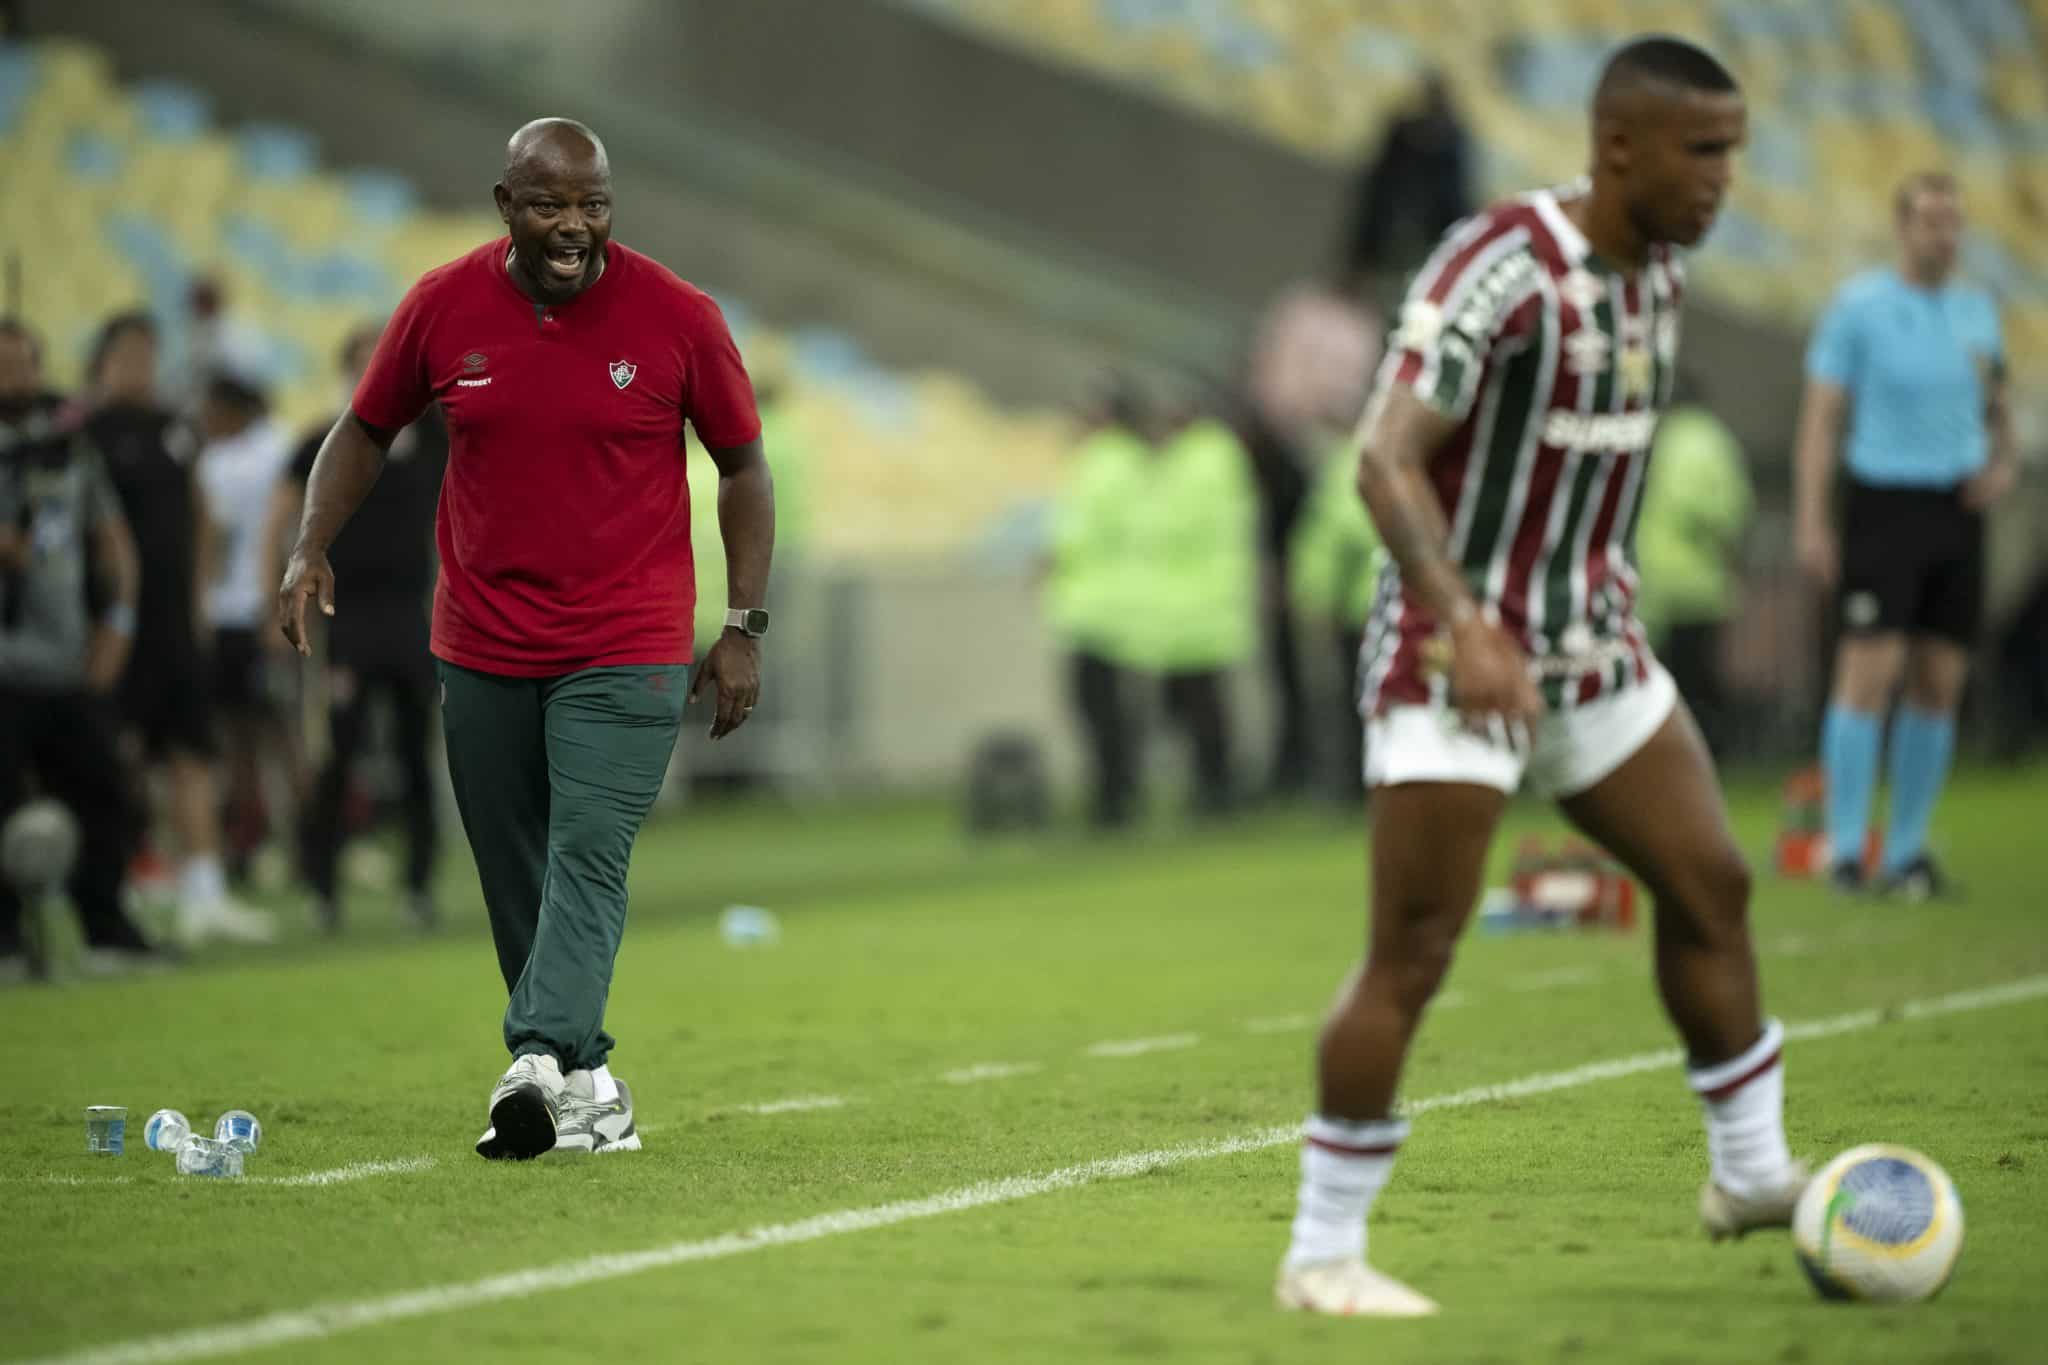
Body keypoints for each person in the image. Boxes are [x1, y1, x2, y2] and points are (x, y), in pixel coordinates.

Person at [1276, 39, 1804, 1317]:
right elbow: (1383, 461)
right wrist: (1465, 623)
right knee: (1412, 948)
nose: (1723, 179)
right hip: (1457, 657)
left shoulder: (1660, 273)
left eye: (1733, 151)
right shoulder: (1500, 266)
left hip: (1592, 649)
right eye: (1704, 150)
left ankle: (1749, 1176)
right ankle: (1320, 1256)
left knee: (1713, 882)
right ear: (1618, 145)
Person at [279, 118, 773, 1160]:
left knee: (587, 853)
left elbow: (742, 467)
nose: (573, 226)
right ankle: (591, 1082)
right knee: (511, 866)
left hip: (630, 640)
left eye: (593, 205)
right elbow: (364, 430)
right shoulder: (441, 306)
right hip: (481, 636)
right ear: (505, 204)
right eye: (549, 203)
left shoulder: (679, 317)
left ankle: (535, 1059)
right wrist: (307, 546)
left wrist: (739, 625)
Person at [1793, 171, 2016, 899]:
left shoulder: (1978, 311)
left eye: (1952, 222)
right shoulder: (1859, 309)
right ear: (1902, 227)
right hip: (1882, 501)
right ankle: (1850, 847)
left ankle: (1909, 850)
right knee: (1868, 672)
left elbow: (2000, 406)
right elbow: (1822, 418)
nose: (1942, 235)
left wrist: (2003, 464)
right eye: (1929, 221)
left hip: (1956, 506)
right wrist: (1812, 517)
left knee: (1939, 680)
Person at [86, 311, 275, 946]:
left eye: (148, 352)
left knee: (194, 754)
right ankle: (121, 885)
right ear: (102, 361)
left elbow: (200, 514)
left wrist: (199, 600)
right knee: (119, 760)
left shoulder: (175, 428)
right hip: (114, 627)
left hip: (174, 623)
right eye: (128, 353)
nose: (140, 365)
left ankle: (204, 893)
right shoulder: (85, 433)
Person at [0, 318, 164, 978]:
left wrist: (118, 624)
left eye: (23, 363)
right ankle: (7, 940)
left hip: (67, 660)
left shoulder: (68, 449)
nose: (15, 376)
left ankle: (105, 925)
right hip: (3, 667)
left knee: (105, 792)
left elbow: (113, 542)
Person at [277, 322, 447, 932]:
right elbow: (285, 519)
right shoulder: (321, 444)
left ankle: (419, 885)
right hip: (343, 619)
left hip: (411, 618)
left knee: (414, 754)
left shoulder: (432, 439)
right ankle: (321, 886)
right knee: (337, 757)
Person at [196, 358, 298, 884]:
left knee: (251, 737)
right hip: (263, 612)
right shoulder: (276, 446)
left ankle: (262, 845)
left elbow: (212, 540)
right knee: (272, 735)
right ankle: (286, 845)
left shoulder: (228, 460)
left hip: (241, 615)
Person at [1045, 378, 1151, 829]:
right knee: (1115, 707)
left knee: (1097, 708)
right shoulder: (1137, 463)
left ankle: (1112, 799)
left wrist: (1050, 557)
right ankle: (1121, 793)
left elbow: (1080, 530)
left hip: (1098, 604)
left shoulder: (1102, 464)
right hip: (1120, 600)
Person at [1634, 381, 1753, 757]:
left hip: (1652, 575)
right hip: (1699, 579)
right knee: (1700, 674)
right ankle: (1709, 751)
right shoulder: (1711, 440)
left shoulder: (1659, 436)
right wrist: (1730, 548)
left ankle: (1663, 752)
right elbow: (1726, 509)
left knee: (1662, 674)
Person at [1342, 71, 1475, 286]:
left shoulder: (1452, 144)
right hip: (1391, 223)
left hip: (1426, 231)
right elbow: (1380, 185)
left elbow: (1452, 198)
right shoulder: (1404, 132)